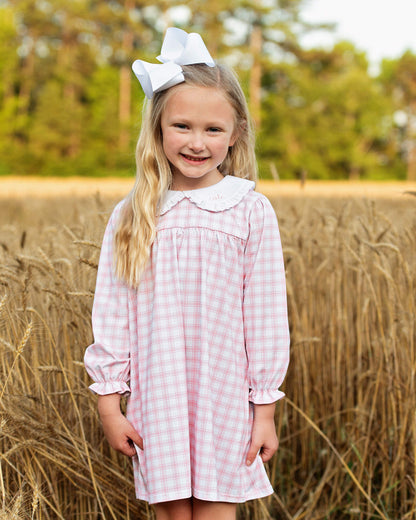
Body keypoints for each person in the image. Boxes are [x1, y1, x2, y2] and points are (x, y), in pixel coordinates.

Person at [84, 27, 290, 520]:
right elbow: (112, 314)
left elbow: (264, 317)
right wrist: (110, 406)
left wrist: (265, 412)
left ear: (235, 133)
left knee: (218, 511)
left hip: (224, 399)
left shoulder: (249, 210)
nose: (196, 143)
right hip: (159, 396)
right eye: (182, 126)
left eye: (213, 130)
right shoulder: (134, 213)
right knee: (173, 514)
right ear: (157, 127)